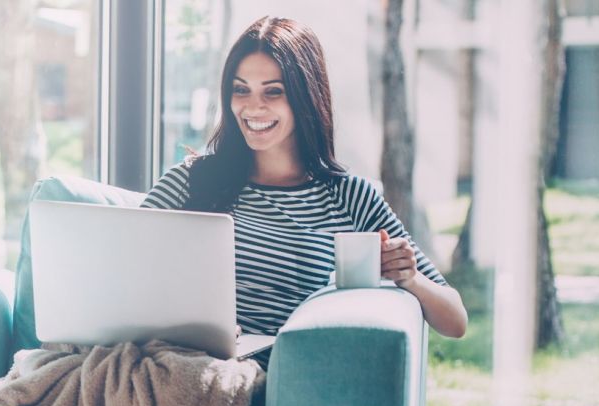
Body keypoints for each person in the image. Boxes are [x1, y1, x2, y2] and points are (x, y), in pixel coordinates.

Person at [142, 16, 468, 339]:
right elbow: (122, 267)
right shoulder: (189, 180)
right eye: (241, 89)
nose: (253, 107)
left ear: (305, 98)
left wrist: (409, 277)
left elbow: (455, 320)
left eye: (273, 92)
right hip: (185, 356)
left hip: (284, 375)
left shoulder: (350, 196)